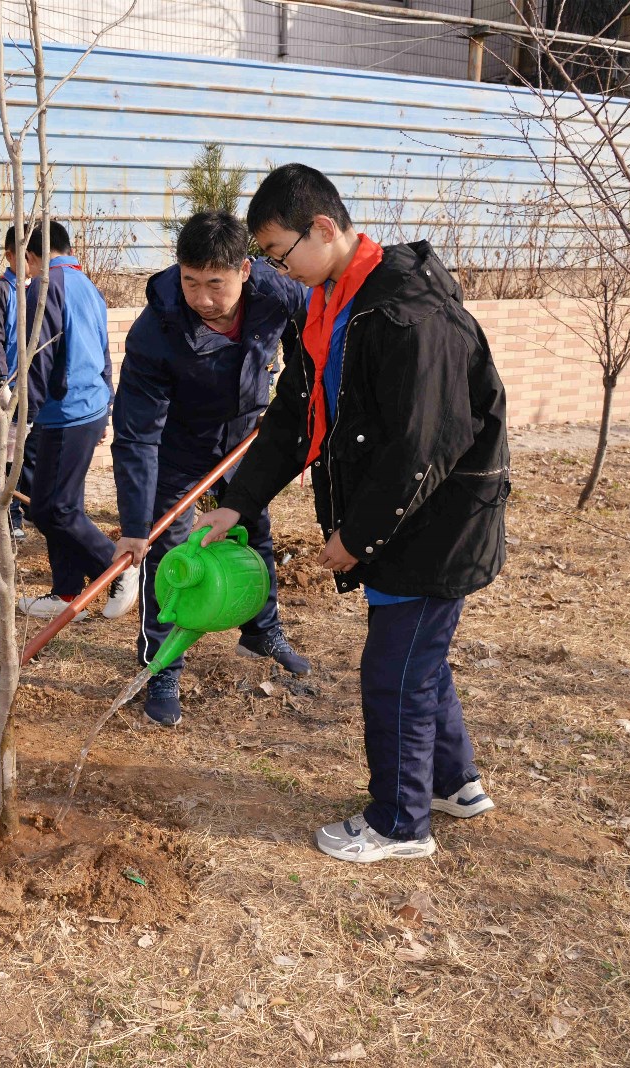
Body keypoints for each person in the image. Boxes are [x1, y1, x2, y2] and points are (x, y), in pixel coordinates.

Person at [197, 164, 510, 863]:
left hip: (436, 522)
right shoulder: (334, 302)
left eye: (280, 254)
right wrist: (238, 505)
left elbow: (423, 442)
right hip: (405, 518)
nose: (280, 269)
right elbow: (291, 418)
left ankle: (399, 824)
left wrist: (355, 536)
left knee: (394, 669)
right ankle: (453, 782)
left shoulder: (406, 312)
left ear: (326, 229)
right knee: (417, 659)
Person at [113, 211, 312, 728]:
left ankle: (261, 627)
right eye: (190, 281)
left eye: (215, 284)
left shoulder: (278, 293)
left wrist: (298, 405)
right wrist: (135, 526)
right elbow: (136, 435)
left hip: (246, 435)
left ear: (245, 270)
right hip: (179, 446)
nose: (201, 297)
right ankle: (162, 665)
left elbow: (311, 340)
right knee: (172, 558)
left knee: (254, 532)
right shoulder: (156, 331)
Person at [13, 222, 139, 621]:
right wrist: (106, 402)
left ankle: (117, 570)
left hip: (65, 412)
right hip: (85, 406)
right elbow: (103, 350)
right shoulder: (86, 285)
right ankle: (67, 594)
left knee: (55, 509)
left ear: (30, 255)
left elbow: (39, 355)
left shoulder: (44, 286)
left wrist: (23, 416)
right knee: (57, 505)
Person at [0, 224, 36, 539]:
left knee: (34, 451)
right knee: (9, 454)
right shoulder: (1, 291)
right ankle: (12, 519)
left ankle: (35, 511)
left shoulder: (42, 287)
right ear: (10, 255)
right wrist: (0, 381)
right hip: (11, 382)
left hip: (37, 383)